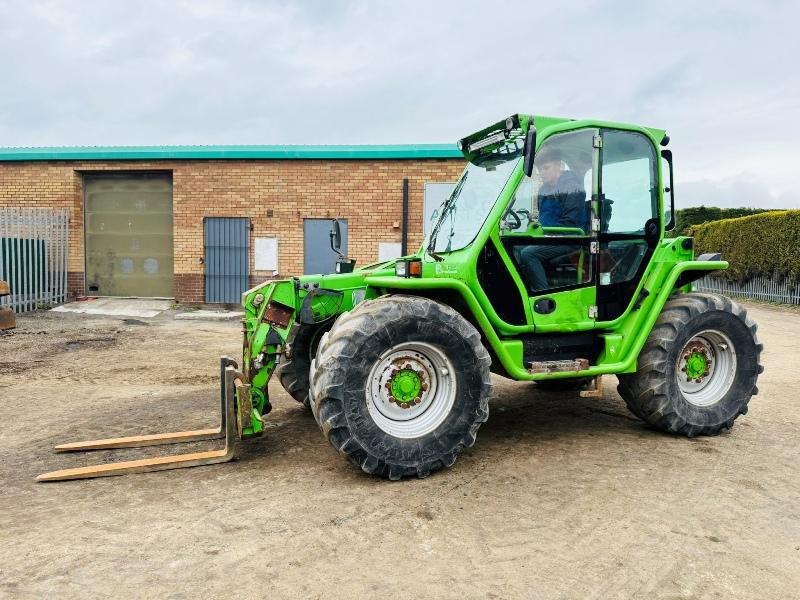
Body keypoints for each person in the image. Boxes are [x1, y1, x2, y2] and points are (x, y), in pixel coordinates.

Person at [519, 149, 588, 292]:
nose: (542, 172)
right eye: (540, 169)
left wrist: (544, 232)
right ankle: (524, 290)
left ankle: (542, 294)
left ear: (559, 166)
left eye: (546, 168)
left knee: (528, 254)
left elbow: (571, 222)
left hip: (569, 238)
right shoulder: (544, 189)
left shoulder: (572, 187)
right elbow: (545, 216)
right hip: (549, 236)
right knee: (512, 247)